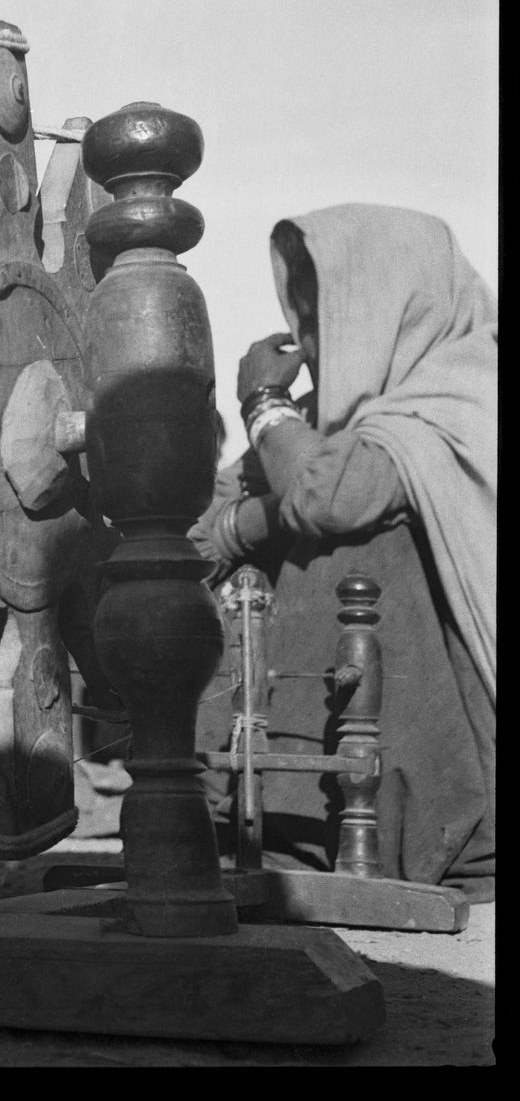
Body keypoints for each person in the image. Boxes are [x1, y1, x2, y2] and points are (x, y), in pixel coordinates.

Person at [192, 205, 495, 899]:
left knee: (353, 542)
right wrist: (254, 519)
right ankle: (283, 819)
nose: (309, 333)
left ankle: (367, 831)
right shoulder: (347, 424)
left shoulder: (471, 385)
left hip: (469, 746)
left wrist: (267, 403)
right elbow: (202, 537)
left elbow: (335, 499)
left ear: (394, 303)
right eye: (302, 310)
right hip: (370, 741)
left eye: (328, 309)